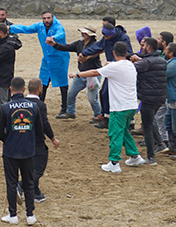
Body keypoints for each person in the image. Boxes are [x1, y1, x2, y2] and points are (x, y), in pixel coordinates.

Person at [70, 42, 146, 172]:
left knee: (115, 133)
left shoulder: (114, 67)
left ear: (113, 53)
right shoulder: (130, 65)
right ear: (126, 53)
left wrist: (77, 74)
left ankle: (114, 162)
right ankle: (134, 155)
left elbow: (95, 72)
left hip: (120, 107)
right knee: (123, 131)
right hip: (131, 105)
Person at [0, 77, 44, 226]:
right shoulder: (33, 107)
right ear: (24, 89)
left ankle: (13, 214)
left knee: (11, 183)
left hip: (11, 150)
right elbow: (39, 130)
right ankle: (30, 215)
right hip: (28, 150)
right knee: (29, 182)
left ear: (11, 89)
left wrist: (8, 139)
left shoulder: (5, 108)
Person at [10, 11, 71, 116]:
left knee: (63, 84)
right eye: (44, 18)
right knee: (43, 84)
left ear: (52, 18)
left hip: (59, 60)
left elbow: (61, 34)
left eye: (48, 18)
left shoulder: (58, 26)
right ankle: (39, 106)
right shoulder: (40, 26)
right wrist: (10, 28)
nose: (46, 20)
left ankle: (64, 109)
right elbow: (25, 28)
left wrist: (53, 38)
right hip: (47, 60)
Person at [80, 21, 133, 129]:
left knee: (121, 96)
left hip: (120, 70)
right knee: (104, 93)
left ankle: (129, 123)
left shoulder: (124, 38)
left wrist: (114, 63)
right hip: (112, 69)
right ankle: (107, 118)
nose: (105, 38)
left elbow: (128, 53)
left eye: (107, 36)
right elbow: (98, 46)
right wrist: (84, 53)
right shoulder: (106, 38)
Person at [46, 25, 102, 120]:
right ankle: (70, 112)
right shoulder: (79, 43)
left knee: (92, 99)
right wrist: (54, 45)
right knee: (71, 93)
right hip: (81, 74)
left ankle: (99, 115)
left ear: (90, 35)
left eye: (85, 33)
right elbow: (67, 47)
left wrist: (85, 57)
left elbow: (93, 55)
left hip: (92, 75)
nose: (82, 34)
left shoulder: (95, 45)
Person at [131, 37, 168, 165]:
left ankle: (151, 157)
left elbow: (130, 69)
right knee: (150, 120)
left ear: (148, 47)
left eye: (143, 45)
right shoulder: (162, 61)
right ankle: (161, 144)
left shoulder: (146, 62)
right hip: (160, 98)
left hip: (148, 98)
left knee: (146, 127)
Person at [24, 78, 60, 202]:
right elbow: (44, 123)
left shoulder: (22, 103)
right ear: (40, 89)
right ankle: (21, 186)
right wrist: (53, 138)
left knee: (30, 166)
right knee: (38, 168)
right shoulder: (40, 105)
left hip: (23, 140)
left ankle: (35, 192)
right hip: (37, 141)